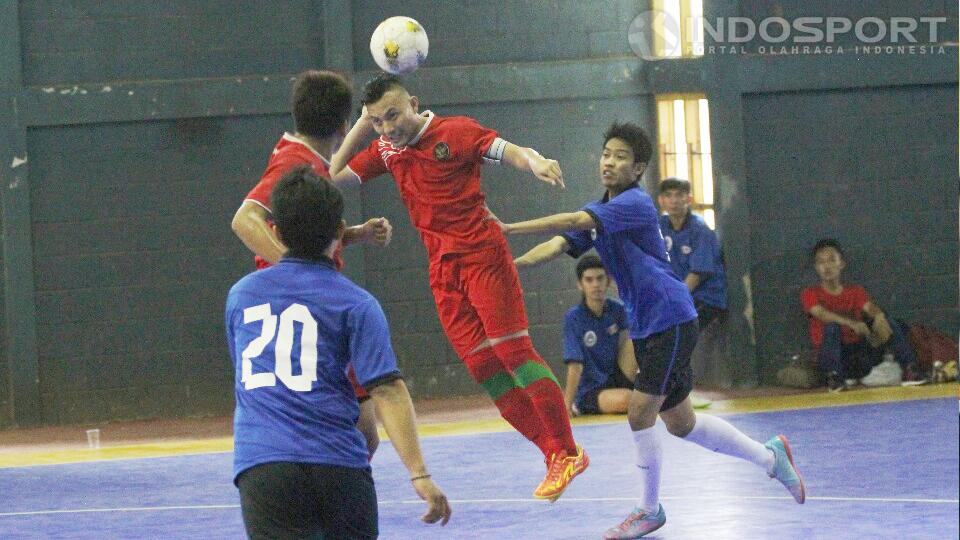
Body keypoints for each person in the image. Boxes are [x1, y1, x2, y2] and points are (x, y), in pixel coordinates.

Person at [499, 122, 805, 539]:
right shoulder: (600, 210)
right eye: (606, 153)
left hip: (670, 316)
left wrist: (510, 228)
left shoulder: (634, 204)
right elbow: (558, 243)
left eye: (621, 156)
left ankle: (648, 509)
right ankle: (771, 458)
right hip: (649, 325)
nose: (609, 161)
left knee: (639, 411)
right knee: (681, 423)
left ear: (638, 167)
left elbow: (573, 218)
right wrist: (508, 267)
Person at [327, 74, 587, 501]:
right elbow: (333, 174)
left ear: (414, 102)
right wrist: (362, 122)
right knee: (485, 369)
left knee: (514, 354)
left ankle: (567, 449)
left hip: (483, 256)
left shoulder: (457, 132)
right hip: (442, 270)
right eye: (378, 121)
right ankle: (552, 453)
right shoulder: (387, 150)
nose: (387, 127)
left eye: (393, 114)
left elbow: (507, 151)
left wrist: (535, 161)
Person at [226, 167, 451, 539]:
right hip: (337, 464)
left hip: (264, 467)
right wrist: (419, 473)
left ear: (276, 232)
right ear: (339, 232)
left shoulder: (241, 296)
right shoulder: (357, 304)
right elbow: (388, 390)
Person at [231, 70, 393, 457]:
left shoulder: (307, 158)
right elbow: (244, 219)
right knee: (353, 429)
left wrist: (353, 234)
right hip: (302, 307)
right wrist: (296, 271)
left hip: (311, 299)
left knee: (365, 432)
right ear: (342, 124)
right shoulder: (294, 162)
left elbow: (303, 235)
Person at [801, 238, 925, 392]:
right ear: (816, 267)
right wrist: (851, 323)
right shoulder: (810, 293)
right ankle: (834, 379)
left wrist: (879, 316)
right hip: (834, 356)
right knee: (832, 327)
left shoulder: (855, 291)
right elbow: (820, 313)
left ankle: (911, 369)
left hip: (859, 355)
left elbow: (870, 308)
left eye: (831, 260)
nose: (826, 266)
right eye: (821, 262)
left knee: (889, 321)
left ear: (841, 264)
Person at [563, 255, 635, 416]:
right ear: (580, 285)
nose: (595, 284)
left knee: (639, 337)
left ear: (608, 281)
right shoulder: (574, 317)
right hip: (591, 389)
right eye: (589, 280)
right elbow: (575, 365)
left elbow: (642, 328)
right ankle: (656, 398)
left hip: (615, 376)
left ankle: (659, 389)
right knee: (629, 400)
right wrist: (566, 406)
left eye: (600, 278)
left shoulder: (616, 309)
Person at [656, 177, 727, 329]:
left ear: (689, 199)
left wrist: (674, 301)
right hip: (679, 296)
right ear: (661, 200)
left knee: (675, 330)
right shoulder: (660, 226)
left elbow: (697, 275)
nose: (674, 200)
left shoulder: (699, 229)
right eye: (669, 195)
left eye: (679, 195)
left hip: (705, 298)